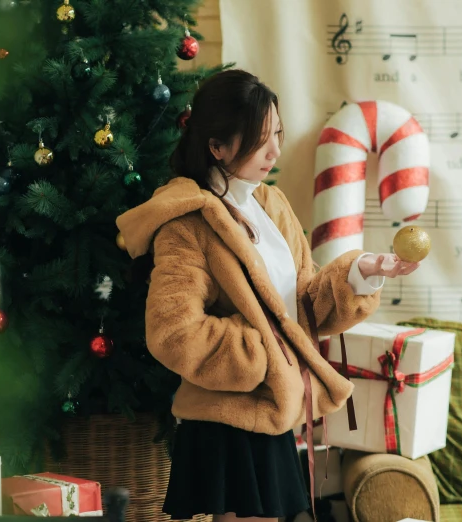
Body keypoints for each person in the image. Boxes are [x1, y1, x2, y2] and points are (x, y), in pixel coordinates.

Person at [115, 70, 419, 522]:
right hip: (227, 417)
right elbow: (172, 332)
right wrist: (266, 354)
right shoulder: (186, 225)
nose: (275, 151)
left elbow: (303, 307)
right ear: (217, 147)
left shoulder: (271, 205)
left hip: (272, 411)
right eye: (260, 140)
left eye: (277, 133)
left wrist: (361, 272)